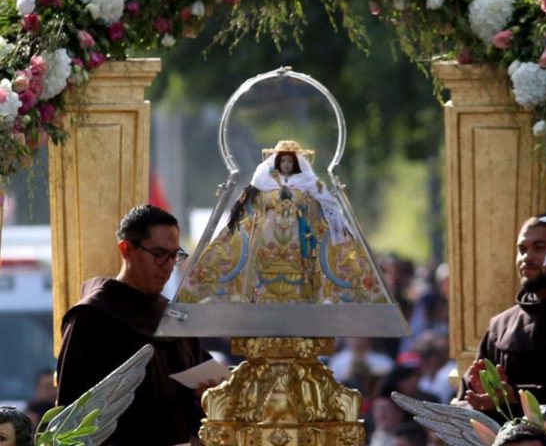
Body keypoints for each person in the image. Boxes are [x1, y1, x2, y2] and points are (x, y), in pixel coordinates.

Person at [56, 204, 210, 446]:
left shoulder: (174, 318)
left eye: (175, 256)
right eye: (159, 255)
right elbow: (71, 416)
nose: (169, 266)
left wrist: (210, 396)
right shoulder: (92, 318)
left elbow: (202, 392)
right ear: (127, 249)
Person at [182, 140, 383, 304]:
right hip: (266, 248)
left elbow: (323, 208)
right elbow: (253, 207)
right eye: (283, 161)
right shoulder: (263, 183)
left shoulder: (309, 184)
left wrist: (303, 205)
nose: (286, 164)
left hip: (300, 249)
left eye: (290, 161)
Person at [457, 214, 546, 415]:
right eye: (522, 250)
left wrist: (515, 396)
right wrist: (478, 399)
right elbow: (468, 396)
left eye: (539, 248)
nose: (526, 257)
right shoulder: (501, 326)